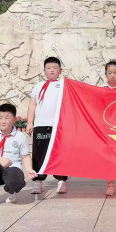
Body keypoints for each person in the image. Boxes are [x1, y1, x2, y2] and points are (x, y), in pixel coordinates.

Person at [0, 103, 37, 207]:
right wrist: (0, 160)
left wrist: (29, 169)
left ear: (14, 119)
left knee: (15, 179)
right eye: (0, 118)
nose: (3, 121)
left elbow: (25, 156)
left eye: (7, 118)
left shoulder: (20, 137)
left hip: (12, 168)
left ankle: (11, 190)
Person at [26, 57, 69, 195]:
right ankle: (38, 181)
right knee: (39, 153)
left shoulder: (64, 84)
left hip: (58, 125)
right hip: (41, 125)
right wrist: (30, 123)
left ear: (60, 71)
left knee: (59, 153)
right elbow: (32, 105)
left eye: (55, 68)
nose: (52, 70)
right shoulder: (38, 86)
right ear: (44, 70)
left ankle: (61, 181)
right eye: (49, 68)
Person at [101, 60, 116, 196]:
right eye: (109, 73)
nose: (112, 75)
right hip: (104, 129)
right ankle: (110, 183)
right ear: (105, 74)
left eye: (115, 73)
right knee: (108, 156)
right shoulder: (100, 90)